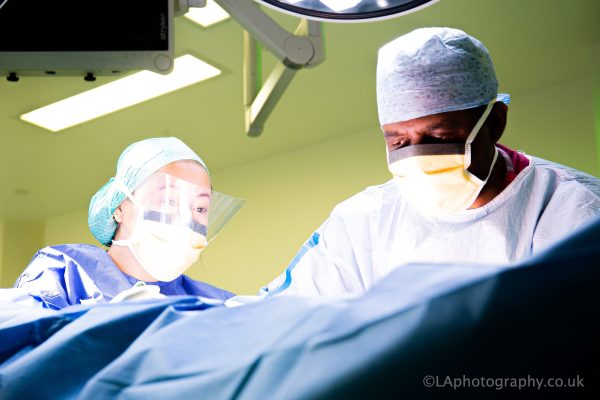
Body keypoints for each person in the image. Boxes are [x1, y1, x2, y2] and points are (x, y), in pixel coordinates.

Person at [262, 27, 600, 296]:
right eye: (399, 141)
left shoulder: (576, 210)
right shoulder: (361, 224)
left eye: (438, 137)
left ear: (495, 122)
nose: (417, 156)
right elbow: (283, 316)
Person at [14, 137, 243, 309]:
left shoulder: (216, 304)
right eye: (169, 200)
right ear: (120, 207)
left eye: (200, 208)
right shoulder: (63, 273)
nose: (186, 220)